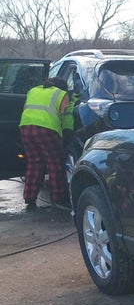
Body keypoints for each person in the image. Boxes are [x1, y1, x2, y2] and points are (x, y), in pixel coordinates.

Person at [18, 77, 73, 211]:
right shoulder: (61, 94)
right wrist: (67, 135)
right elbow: (65, 116)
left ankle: (29, 197)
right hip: (47, 129)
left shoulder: (33, 91)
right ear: (63, 87)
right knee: (55, 163)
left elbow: (25, 108)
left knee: (34, 162)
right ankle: (58, 198)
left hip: (25, 127)